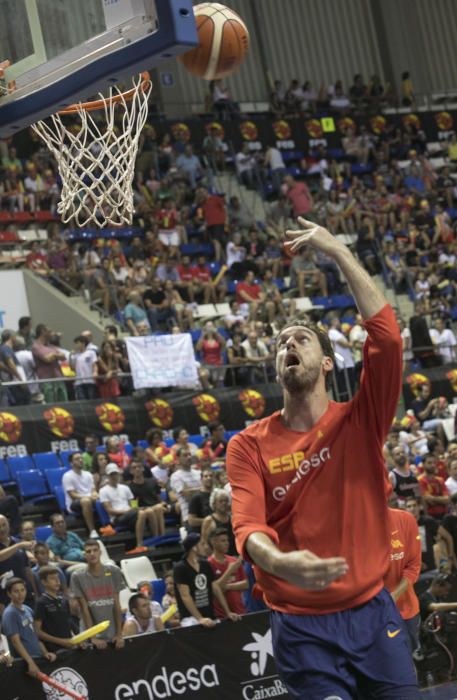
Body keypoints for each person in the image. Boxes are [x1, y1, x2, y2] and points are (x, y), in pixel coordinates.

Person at [227, 217, 419, 699]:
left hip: (373, 615)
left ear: (328, 362)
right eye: (280, 343)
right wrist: (281, 562)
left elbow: (388, 340)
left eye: (300, 338)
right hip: (301, 628)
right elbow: (247, 529)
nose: (288, 344)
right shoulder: (247, 444)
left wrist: (338, 250)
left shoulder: (360, 420)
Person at [173, 533, 240, 628]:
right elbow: (185, 596)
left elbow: (215, 588)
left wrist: (228, 612)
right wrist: (200, 619)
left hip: (209, 615)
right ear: (194, 548)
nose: (206, 547)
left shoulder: (205, 564)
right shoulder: (180, 567)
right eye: (202, 544)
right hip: (190, 618)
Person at [70, 539, 125, 649]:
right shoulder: (77, 576)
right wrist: (93, 637)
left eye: (95, 550)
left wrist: (119, 634)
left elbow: (116, 605)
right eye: (88, 551)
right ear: (84, 554)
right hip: (89, 633)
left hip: (111, 631)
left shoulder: (114, 571)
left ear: (100, 552)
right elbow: (84, 609)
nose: (92, 554)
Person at [384, 507, 421, 652]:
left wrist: (393, 596)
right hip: (372, 614)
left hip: (406, 610)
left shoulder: (405, 519)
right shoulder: (353, 525)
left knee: (409, 661)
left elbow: (413, 566)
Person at [2, 577, 56, 675]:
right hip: (24, 664)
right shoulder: (10, 613)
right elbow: (15, 641)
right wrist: (30, 662)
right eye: (16, 591)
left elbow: (35, 635)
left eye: (22, 590)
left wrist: (45, 652)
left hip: (37, 657)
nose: (20, 594)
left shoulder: (28, 609)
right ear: (9, 594)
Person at [100, 463, 158, 552]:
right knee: (141, 512)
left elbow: (133, 504)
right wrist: (127, 511)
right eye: (112, 474)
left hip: (131, 515)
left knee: (146, 512)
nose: (114, 476)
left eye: (115, 473)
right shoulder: (103, 490)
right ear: (108, 476)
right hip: (117, 518)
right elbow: (109, 510)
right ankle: (140, 544)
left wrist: (132, 510)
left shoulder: (125, 488)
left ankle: (151, 541)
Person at [207, 527, 247, 619]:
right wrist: (230, 571)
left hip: (240, 611)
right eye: (223, 541)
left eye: (227, 540)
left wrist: (228, 586)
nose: (227, 543)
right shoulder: (208, 564)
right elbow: (215, 589)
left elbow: (246, 584)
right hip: (222, 615)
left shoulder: (233, 560)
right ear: (213, 542)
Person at [0, 515, 37, 612]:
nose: (2, 529)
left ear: (9, 524)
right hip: (5, 598)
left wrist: (34, 591)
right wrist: (18, 546)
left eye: (4, 525)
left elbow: (27, 570)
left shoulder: (17, 542)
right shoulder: (19, 544)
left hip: (26, 594)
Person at [34, 566, 73, 651]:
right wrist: (61, 641)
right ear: (44, 582)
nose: (57, 581)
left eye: (58, 578)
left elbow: (69, 622)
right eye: (52, 578)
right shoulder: (41, 602)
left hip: (69, 646)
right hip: (54, 650)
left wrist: (77, 639)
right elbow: (37, 631)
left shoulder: (63, 599)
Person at [62, 452, 99, 538]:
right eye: (77, 459)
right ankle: (92, 530)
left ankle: (108, 525)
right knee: (85, 501)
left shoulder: (88, 474)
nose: (80, 460)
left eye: (81, 458)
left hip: (89, 498)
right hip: (74, 503)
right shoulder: (67, 476)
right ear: (71, 463)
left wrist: (95, 494)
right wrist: (89, 497)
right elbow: (73, 495)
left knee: (104, 496)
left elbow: (93, 490)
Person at [31, 324, 68, 403]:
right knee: (51, 405)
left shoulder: (51, 346)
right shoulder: (36, 346)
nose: (52, 333)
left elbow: (63, 357)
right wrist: (55, 354)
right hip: (47, 381)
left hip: (59, 378)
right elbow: (47, 359)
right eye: (50, 331)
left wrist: (53, 355)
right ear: (43, 332)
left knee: (64, 404)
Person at [169, 446, 202, 526]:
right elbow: (187, 496)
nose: (189, 457)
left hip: (204, 513)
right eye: (185, 455)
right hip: (189, 517)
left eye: (189, 455)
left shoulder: (199, 473)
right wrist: (202, 490)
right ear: (178, 458)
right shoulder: (176, 476)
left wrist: (191, 490)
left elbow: (209, 490)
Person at [188, 467, 214, 534]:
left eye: (211, 476)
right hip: (201, 531)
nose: (209, 478)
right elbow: (191, 521)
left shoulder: (218, 494)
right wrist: (211, 521)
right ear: (201, 479)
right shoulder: (196, 497)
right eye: (206, 476)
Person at [71, 335, 98, 400]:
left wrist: (95, 372)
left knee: (91, 400)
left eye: (77, 343)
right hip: (79, 382)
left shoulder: (91, 353)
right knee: (82, 401)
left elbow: (94, 364)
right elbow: (72, 368)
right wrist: (71, 356)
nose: (76, 345)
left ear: (83, 343)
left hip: (89, 380)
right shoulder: (76, 355)